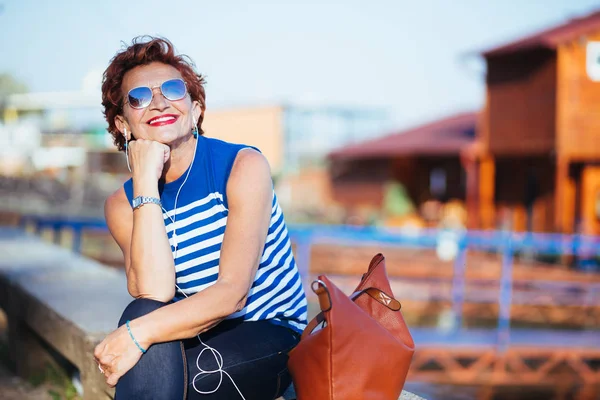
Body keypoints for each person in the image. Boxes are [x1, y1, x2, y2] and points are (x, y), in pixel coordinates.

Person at [94, 36, 307, 400]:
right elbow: (155, 292)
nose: (158, 102)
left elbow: (232, 295)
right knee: (142, 313)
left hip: (268, 331)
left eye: (173, 90)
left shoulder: (241, 167)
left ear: (195, 109)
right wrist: (145, 181)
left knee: (172, 378)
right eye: (139, 97)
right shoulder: (121, 204)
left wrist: (134, 334)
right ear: (123, 123)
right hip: (187, 331)